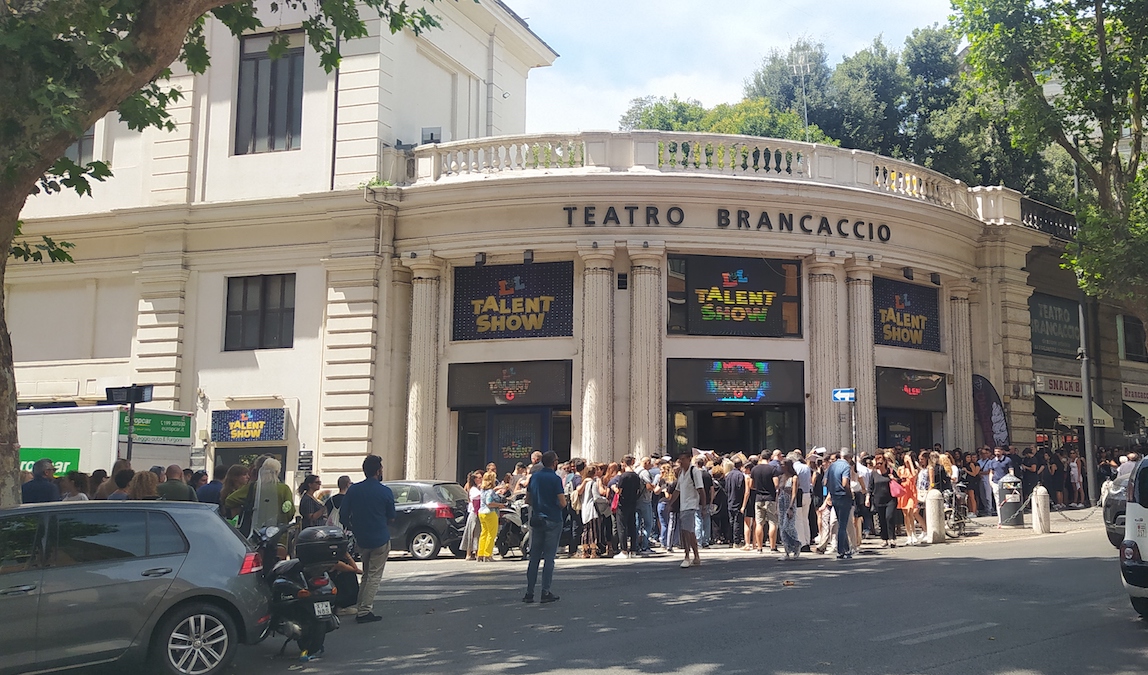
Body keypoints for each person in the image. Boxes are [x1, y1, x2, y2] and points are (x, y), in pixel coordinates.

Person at [340, 454, 396, 624]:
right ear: (378, 471)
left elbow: (343, 515)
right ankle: (365, 610)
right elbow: (391, 516)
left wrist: (353, 526)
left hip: (361, 538)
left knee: (365, 574)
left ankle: (361, 606)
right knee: (373, 575)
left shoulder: (354, 490)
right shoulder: (385, 491)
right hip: (380, 536)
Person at [523, 451, 566, 604]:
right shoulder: (555, 479)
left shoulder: (534, 477)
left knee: (534, 557)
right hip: (553, 519)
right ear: (554, 462)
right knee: (549, 558)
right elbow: (562, 502)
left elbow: (528, 499)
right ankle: (545, 591)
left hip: (537, 518)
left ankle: (529, 592)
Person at [225, 458, 295, 534]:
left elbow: (229, 500)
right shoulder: (284, 489)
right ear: (277, 472)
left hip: (254, 531)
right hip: (278, 533)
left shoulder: (252, 487)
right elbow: (290, 512)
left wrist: (244, 505)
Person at [669, 451, 704, 568]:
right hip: (683, 505)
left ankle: (687, 556)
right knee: (689, 531)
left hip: (691, 504)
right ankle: (696, 555)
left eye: (683, 459)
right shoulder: (681, 474)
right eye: (680, 460)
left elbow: (701, 489)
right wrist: (670, 503)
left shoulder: (694, 472)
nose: (681, 462)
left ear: (690, 459)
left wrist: (703, 506)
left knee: (686, 531)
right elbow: (677, 490)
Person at [747, 451, 779, 553]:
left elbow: (751, 485)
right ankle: (772, 547)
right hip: (770, 498)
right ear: (770, 458)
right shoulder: (772, 469)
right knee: (772, 522)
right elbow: (776, 484)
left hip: (758, 498)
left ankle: (759, 547)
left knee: (759, 523)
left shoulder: (754, 469)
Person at [825, 448, 854, 559]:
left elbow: (825, 481)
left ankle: (846, 549)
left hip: (834, 496)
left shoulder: (832, 466)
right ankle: (841, 550)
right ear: (849, 457)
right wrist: (849, 493)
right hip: (843, 496)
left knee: (841, 522)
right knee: (843, 525)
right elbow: (845, 482)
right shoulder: (846, 466)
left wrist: (830, 492)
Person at [614, 456, 643, 559]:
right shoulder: (636, 476)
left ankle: (624, 550)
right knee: (632, 526)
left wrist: (614, 488)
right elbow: (639, 489)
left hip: (623, 503)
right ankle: (633, 550)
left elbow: (619, 491)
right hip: (633, 502)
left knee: (622, 526)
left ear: (624, 463)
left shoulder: (623, 476)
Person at [870, 454, 898, 548]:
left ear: (885, 462)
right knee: (881, 519)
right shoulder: (873, 473)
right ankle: (884, 538)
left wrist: (894, 479)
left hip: (890, 499)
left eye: (881, 462)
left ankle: (892, 538)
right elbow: (870, 487)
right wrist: (868, 498)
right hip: (878, 499)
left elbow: (900, 481)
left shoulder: (891, 471)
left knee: (889, 517)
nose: (879, 464)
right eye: (877, 463)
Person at [577, 465, 604, 558]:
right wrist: (604, 500)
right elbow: (596, 497)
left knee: (586, 531)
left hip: (584, 509)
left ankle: (584, 551)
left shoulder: (583, 483)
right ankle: (593, 552)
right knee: (594, 531)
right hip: (592, 510)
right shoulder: (593, 483)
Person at [777, 459, 801, 559]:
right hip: (781, 504)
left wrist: (791, 507)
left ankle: (796, 544)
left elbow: (794, 493)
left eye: (782, 465)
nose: (781, 466)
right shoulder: (781, 477)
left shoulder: (794, 478)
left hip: (789, 504)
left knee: (788, 526)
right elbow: (778, 492)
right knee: (782, 529)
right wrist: (776, 507)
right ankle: (787, 551)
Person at [985, 446, 1015, 524]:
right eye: (995, 452)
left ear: (1002, 452)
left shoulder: (1008, 460)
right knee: (998, 501)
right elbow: (991, 472)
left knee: (1007, 500)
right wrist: (990, 482)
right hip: (996, 483)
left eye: (998, 451)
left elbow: (1011, 471)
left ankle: (1008, 517)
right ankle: (1000, 519)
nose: (997, 453)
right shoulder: (992, 461)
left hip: (1006, 483)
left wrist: (1011, 481)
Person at [477, 471, 502, 562]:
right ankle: (488, 555)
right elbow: (489, 503)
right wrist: (499, 505)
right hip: (490, 512)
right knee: (491, 534)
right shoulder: (490, 491)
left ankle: (480, 554)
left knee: (484, 533)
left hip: (481, 512)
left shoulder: (482, 490)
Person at [635, 457, 656, 554]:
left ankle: (635, 545)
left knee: (637, 524)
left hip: (636, 500)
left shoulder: (635, 471)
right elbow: (648, 487)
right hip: (645, 500)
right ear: (647, 463)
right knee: (648, 524)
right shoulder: (645, 473)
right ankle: (645, 545)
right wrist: (654, 485)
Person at [724, 457, 746, 547]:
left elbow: (726, 488)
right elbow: (742, 488)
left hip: (730, 500)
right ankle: (737, 541)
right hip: (738, 500)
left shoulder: (728, 475)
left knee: (731, 521)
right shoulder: (740, 475)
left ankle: (731, 540)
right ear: (741, 465)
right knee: (737, 521)